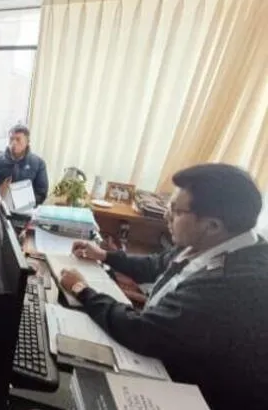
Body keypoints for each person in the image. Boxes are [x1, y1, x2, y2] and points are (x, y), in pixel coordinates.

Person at [59, 163, 268, 410]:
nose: (166, 215)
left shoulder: (231, 284)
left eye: (177, 211)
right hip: (170, 357)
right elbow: (158, 264)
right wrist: (104, 255)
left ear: (212, 225)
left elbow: (142, 332)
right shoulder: (223, 242)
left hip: (197, 395)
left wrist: (81, 289)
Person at [0, 124, 48, 204]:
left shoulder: (38, 163)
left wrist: (21, 202)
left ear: (27, 142)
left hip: (25, 211)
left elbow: (41, 193)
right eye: (11, 139)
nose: (14, 142)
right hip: (0, 208)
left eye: (18, 139)